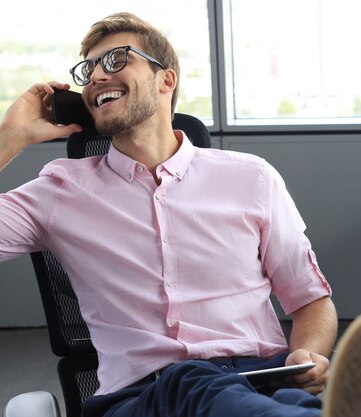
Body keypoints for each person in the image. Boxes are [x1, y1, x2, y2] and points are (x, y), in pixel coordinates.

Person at [0, 11, 341, 417]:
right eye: (88, 69)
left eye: (116, 60)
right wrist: (11, 137)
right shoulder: (59, 191)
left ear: (166, 80)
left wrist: (307, 354)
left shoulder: (252, 178)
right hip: (143, 397)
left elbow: (310, 299)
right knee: (190, 381)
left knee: (285, 402)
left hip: (260, 381)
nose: (95, 77)